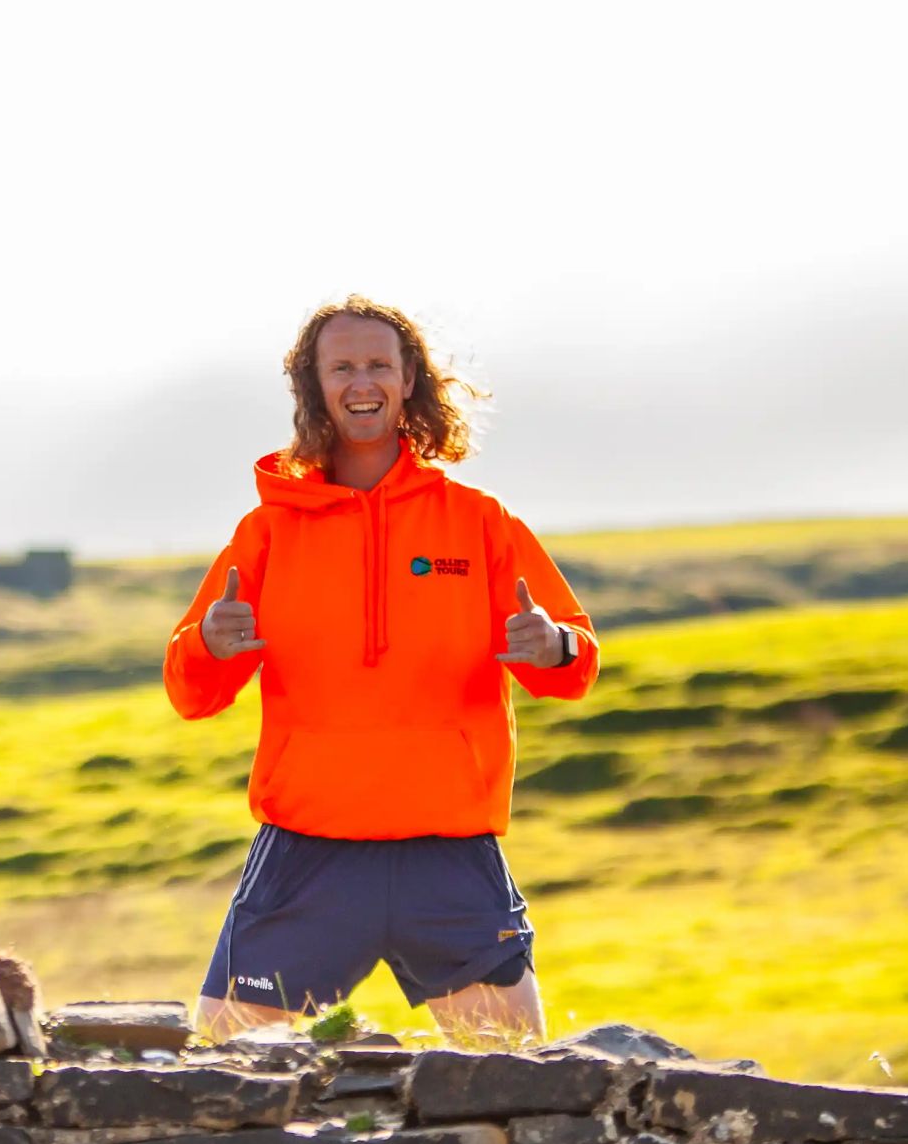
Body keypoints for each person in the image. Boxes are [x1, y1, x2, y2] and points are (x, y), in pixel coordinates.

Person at [166, 296, 599, 1043]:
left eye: (378, 364)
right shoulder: (268, 530)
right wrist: (209, 638)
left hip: (448, 850)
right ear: (314, 386)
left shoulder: (478, 520)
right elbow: (190, 691)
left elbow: (574, 662)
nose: (361, 381)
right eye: (342, 366)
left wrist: (553, 644)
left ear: (408, 383)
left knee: (519, 1072)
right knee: (222, 1067)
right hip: (308, 849)